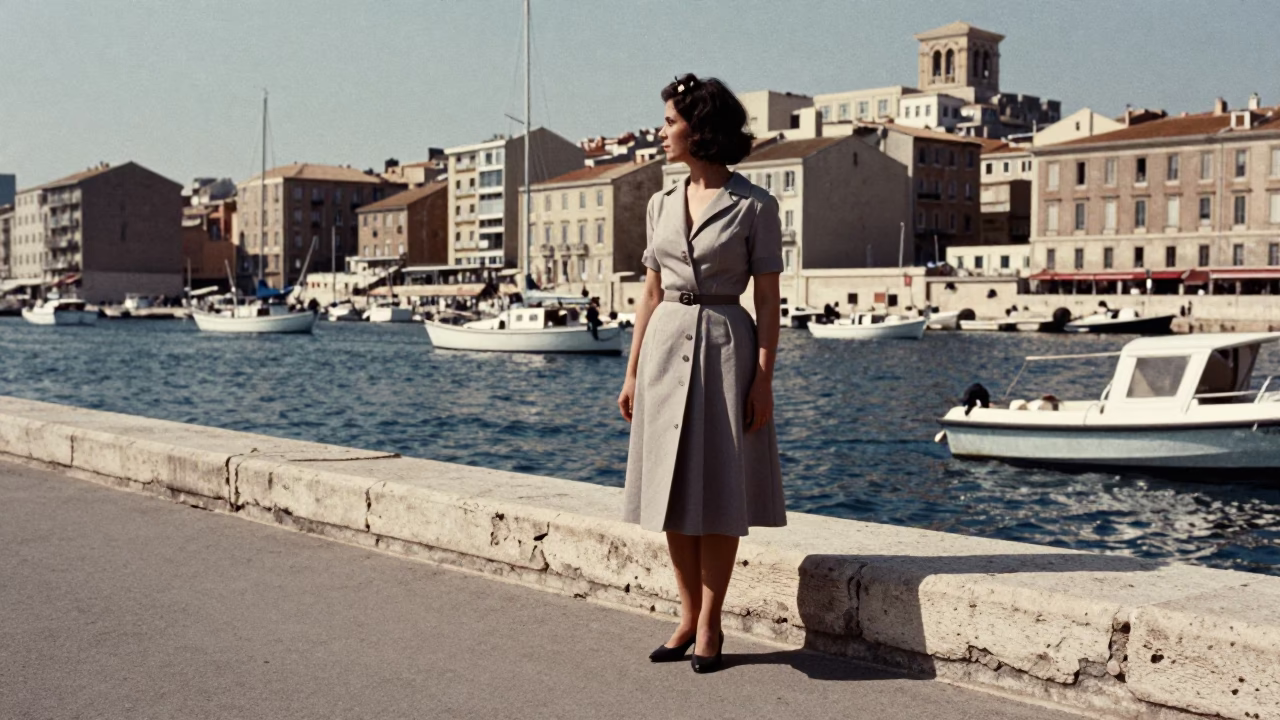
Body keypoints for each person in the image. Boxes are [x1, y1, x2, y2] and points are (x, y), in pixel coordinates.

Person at [617, 73, 785, 675]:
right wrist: (632, 371)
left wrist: (762, 377)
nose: (661, 132)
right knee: (669, 489)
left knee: (720, 490)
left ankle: (712, 622)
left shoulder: (756, 205)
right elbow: (650, 290)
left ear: (700, 127)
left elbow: (768, 302)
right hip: (664, 347)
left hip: (726, 347)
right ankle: (686, 617)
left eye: (669, 122)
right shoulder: (660, 203)